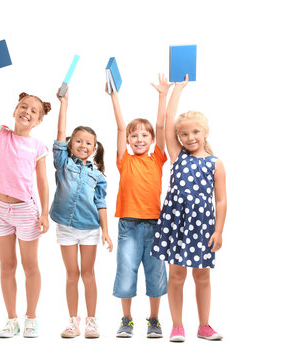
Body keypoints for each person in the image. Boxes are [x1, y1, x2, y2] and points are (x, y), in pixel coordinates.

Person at [0, 64, 51, 338]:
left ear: (38, 121)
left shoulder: (38, 147)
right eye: (24, 106)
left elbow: (42, 182)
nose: (27, 112)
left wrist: (45, 213)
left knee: (30, 266)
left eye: (34, 111)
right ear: (15, 110)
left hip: (26, 211)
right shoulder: (1, 134)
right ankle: (11, 318)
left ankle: (31, 317)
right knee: (6, 266)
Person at [151, 75, 227, 342]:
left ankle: (204, 325)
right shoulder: (177, 154)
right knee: (176, 274)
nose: (189, 137)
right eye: (184, 133)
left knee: (202, 276)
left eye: (195, 132)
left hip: (202, 225)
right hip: (176, 223)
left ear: (205, 132)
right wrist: (176, 89)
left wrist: (218, 231)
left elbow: (221, 200)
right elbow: (165, 125)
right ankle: (177, 325)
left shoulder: (215, 163)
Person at [107, 74, 171, 338]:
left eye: (144, 135)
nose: (139, 138)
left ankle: (154, 320)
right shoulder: (125, 160)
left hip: (155, 224)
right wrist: (114, 96)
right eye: (134, 135)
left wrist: (162, 95)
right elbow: (120, 127)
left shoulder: (157, 158)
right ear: (129, 141)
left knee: (155, 274)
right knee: (126, 272)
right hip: (129, 226)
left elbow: (161, 124)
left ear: (152, 139)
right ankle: (126, 319)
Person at [50, 88, 113, 339]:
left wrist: (106, 232)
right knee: (72, 274)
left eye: (88, 143)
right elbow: (58, 135)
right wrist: (64, 104)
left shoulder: (97, 175)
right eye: (78, 141)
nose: (83, 145)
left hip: (89, 228)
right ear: (70, 144)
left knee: (88, 273)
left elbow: (101, 204)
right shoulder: (63, 164)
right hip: (65, 226)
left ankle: (92, 321)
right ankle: (72, 321)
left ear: (94, 148)